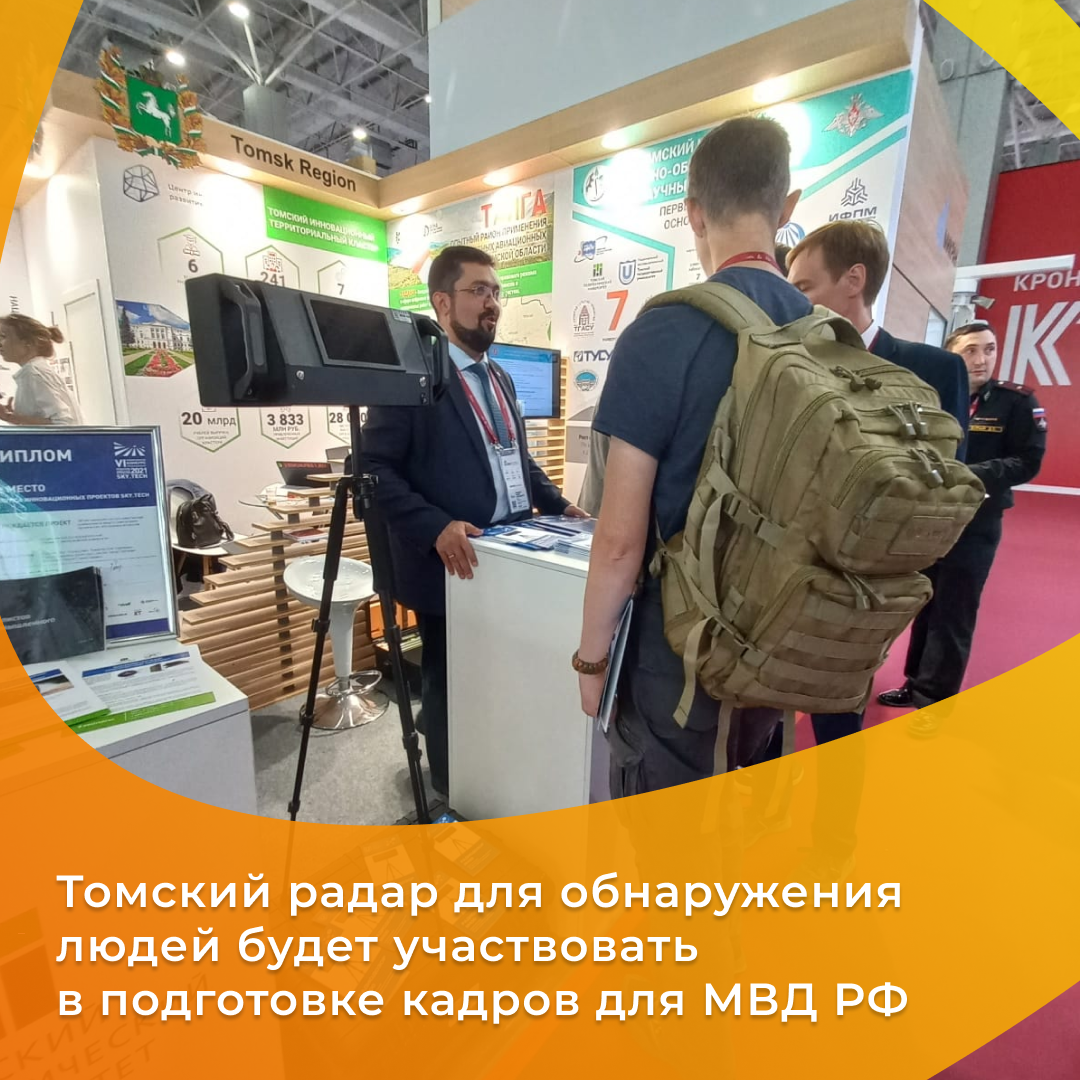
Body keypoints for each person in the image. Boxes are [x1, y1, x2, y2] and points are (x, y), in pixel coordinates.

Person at [575, 116, 806, 795]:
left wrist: (591, 663)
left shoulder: (664, 332)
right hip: (784, 648)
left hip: (678, 664)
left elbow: (620, 542)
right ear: (786, 208)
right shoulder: (828, 333)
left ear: (693, 213)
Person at [365, 245, 585, 797]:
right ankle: (449, 789)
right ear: (442, 302)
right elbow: (371, 468)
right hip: (452, 564)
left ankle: (493, 775)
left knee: (498, 677)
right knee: (449, 680)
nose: (492, 303)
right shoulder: (412, 378)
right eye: (478, 291)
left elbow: (516, 459)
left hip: (509, 555)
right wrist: (435, 525)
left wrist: (560, 505)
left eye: (496, 292)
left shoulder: (500, 377)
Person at [783, 220, 971, 745]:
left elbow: (948, 479)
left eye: (805, 287)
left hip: (869, 581)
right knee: (763, 715)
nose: (796, 302)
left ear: (854, 279)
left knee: (839, 721)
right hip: (786, 566)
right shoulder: (787, 368)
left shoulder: (933, 369)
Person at [877, 320, 1046, 712]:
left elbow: (1028, 461)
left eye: (989, 349)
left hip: (977, 520)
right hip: (929, 519)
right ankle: (915, 683)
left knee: (954, 611)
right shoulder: (930, 397)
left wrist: (965, 476)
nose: (981, 359)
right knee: (925, 602)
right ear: (950, 355)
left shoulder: (1015, 402)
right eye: (970, 350)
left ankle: (934, 702)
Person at [0, 314, 83, 426]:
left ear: (28, 342)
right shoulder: (35, 371)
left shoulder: (33, 374)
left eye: (3, 337)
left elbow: (64, 424)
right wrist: (14, 417)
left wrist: (10, 417)